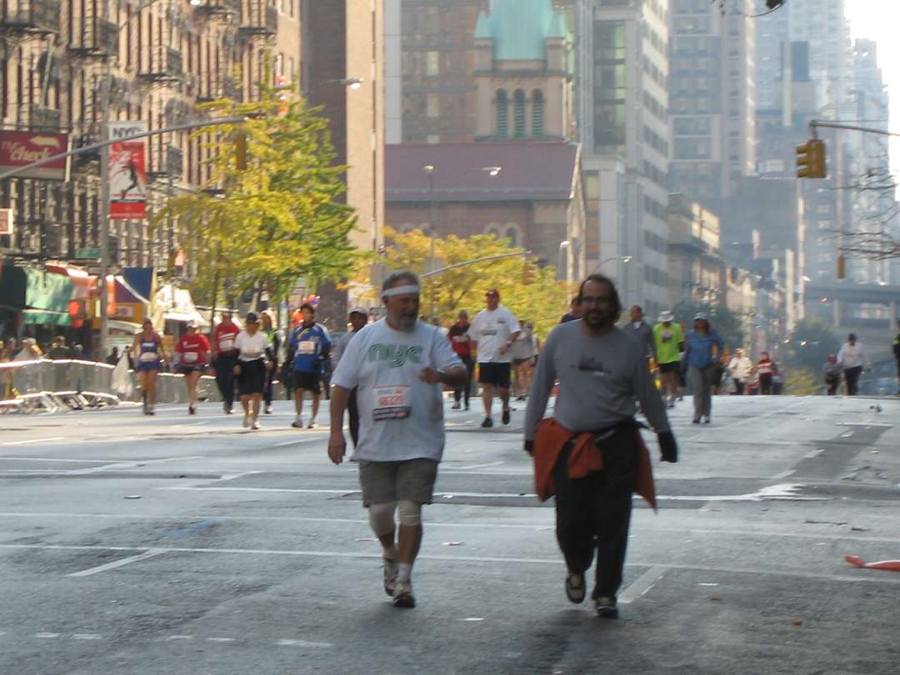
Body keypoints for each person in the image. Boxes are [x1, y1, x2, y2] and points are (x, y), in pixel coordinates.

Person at [524, 274, 677, 619]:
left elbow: (647, 394)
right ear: (579, 303)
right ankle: (576, 565)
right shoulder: (560, 338)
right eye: (588, 300)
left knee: (613, 520)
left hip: (616, 442)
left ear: (614, 307)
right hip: (569, 443)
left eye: (602, 301)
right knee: (569, 521)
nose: (594, 307)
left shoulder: (629, 347)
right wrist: (531, 431)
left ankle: (606, 592)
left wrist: (664, 432)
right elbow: (540, 385)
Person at [328, 271, 467, 609]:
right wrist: (335, 433)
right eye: (404, 300)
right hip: (376, 442)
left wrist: (442, 375)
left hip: (422, 441)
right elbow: (341, 386)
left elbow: (460, 372)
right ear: (387, 302)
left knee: (410, 511)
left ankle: (404, 580)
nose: (411, 306)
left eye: (415, 300)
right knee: (380, 513)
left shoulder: (432, 337)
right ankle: (389, 552)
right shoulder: (364, 339)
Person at [470, 289, 520, 428]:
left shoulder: (506, 314)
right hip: (485, 358)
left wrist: (507, 344)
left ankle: (505, 406)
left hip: (502, 358)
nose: (490, 300)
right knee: (487, 387)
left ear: (498, 299)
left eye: (493, 297)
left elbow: (516, 331)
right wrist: (474, 351)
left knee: (503, 389)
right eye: (488, 297)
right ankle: (488, 416)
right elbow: (473, 337)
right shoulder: (479, 316)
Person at [287, 302, 331, 429]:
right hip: (300, 365)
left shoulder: (319, 330)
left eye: (308, 312)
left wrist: (321, 357)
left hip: (314, 365)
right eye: (303, 312)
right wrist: (289, 362)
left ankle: (313, 419)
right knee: (298, 391)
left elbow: (326, 345)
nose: (305, 315)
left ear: (312, 314)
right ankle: (298, 417)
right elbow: (292, 346)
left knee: (315, 393)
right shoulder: (298, 330)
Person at [333, 307, 369, 445]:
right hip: (352, 384)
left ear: (365, 319)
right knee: (354, 414)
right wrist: (341, 372)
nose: (356, 321)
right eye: (354, 318)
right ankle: (357, 444)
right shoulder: (345, 339)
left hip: (368, 383)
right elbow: (337, 358)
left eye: (360, 317)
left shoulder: (371, 336)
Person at [683, 313, 724, 424]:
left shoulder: (712, 334)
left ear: (706, 322)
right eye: (697, 321)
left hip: (708, 365)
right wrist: (683, 365)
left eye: (702, 320)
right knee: (698, 389)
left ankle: (706, 414)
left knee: (706, 390)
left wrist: (717, 357)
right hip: (694, 364)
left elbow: (721, 344)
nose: (699, 323)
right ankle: (697, 414)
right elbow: (687, 351)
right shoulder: (690, 335)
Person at [234, 312, 272, 430]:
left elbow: (269, 352)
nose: (251, 326)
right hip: (244, 365)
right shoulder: (240, 337)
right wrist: (236, 365)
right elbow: (235, 353)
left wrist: (271, 361)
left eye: (254, 324)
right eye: (249, 324)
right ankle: (247, 413)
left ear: (257, 325)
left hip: (258, 364)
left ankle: (255, 419)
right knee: (244, 396)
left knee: (257, 394)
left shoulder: (263, 337)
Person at [132, 319, 167, 415]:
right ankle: (145, 402)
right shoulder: (139, 336)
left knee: (151, 383)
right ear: (143, 328)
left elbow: (162, 350)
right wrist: (128, 351)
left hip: (153, 362)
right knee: (144, 384)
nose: (148, 330)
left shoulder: (156, 337)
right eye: (146, 328)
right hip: (143, 362)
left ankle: (152, 405)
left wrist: (167, 362)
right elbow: (134, 347)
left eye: (150, 328)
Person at [175, 321, 210, 415]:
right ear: (188, 329)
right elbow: (178, 352)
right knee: (189, 385)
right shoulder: (183, 339)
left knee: (193, 382)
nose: (192, 331)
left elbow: (206, 351)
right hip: (186, 364)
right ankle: (193, 400)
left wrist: (208, 362)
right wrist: (175, 364)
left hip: (197, 364)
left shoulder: (201, 338)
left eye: (194, 329)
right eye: (190, 329)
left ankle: (192, 405)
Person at [652, 310, 684, 407]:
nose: (666, 323)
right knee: (663, 379)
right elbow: (653, 343)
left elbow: (680, 341)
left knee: (674, 377)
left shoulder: (676, 327)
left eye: (668, 321)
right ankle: (664, 396)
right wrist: (654, 356)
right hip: (661, 357)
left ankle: (673, 396)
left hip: (674, 356)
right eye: (664, 321)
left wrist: (681, 354)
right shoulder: (656, 329)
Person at [212, 311, 241, 414]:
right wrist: (214, 352)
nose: (224, 319)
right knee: (220, 379)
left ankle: (230, 403)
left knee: (230, 381)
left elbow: (239, 343)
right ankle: (225, 398)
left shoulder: (235, 329)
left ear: (230, 318)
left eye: (226, 317)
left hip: (232, 356)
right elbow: (215, 341)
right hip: (221, 357)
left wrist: (238, 361)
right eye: (223, 317)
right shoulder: (218, 328)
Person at [447, 310, 474, 411]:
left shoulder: (471, 328)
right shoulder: (454, 328)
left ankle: (467, 402)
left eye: (464, 318)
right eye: (461, 318)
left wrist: (468, 340)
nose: (463, 320)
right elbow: (448, 340)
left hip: (468, 356)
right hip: (456, 356)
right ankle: (457, 401)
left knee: (467, 379)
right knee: (457, 377)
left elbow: (474, 341)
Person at [511, 321, 538, 401]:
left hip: (525, 355)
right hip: (515, 355)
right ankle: (518, 392)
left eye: (522, 321)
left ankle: (525, 392)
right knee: (516, 375)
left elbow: (531, 344)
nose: (520, 322)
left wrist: (532, 356)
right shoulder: (512, 330)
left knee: (525, 373)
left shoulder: (527, 331)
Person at [260, 311, 281, 415]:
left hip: (271, 359)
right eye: (262, 319)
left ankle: (268, 404)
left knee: (268, 382)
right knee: (262, 382)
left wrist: (272, 360)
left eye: (266, 318)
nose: (264, 321)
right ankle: (264, 400)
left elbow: (276, 347)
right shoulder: (260, 332)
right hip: (261, 359)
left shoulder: (274, 332)